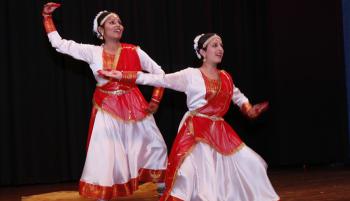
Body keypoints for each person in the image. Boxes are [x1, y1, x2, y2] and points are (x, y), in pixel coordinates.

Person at [100, 33, 280, 201]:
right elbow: (160, 79)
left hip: (219, 130)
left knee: (252, 164)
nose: (220, 49)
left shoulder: (225, 77)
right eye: (214, 45)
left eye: (221, 45)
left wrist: (249, 109)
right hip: (196, 129)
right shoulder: (190, 75)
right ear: (202, 52)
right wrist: (123, 75)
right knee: (193, 174)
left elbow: (238, 97)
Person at [42, 2, 167, 201]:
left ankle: (161, 186)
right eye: (111, 22)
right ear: (101, 30)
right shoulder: (93, 52)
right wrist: (47, 19)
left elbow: (159, 73)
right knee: (106, 152)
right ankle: (103, 194)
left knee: (155, 144)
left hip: (134, 105)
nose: (118, 25)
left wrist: (155, 99)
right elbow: (60, 45)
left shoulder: (134, 51)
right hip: (107, 107)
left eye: (119, 22)